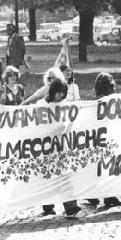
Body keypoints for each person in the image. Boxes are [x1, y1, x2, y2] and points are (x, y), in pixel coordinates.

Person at [40, 79, 81, 217]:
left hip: (60, 147)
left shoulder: (64, 106)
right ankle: (47, 206)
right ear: (53, 91)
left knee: (65, 176)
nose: (60, 95)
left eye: (63, 93)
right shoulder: (42, 105)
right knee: (48, 177)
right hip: (45, 148)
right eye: (58, 92)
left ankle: (71, 206)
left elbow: (69, 123)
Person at [86, 73, 121, 209]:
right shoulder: (107, 101)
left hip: (100, 137)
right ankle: (108, 194)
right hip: (105, 137)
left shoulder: (95, 100)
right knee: (108, 166)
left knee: (100, 166)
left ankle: (97, 193)